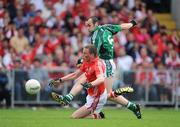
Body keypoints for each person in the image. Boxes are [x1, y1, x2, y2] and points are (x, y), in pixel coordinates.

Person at [50, 17, 141, 119]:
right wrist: (132, 24)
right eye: (86, 25)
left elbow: (93, 54)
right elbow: (122, 26)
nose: (87, 27)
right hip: (101, 62)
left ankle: (131, 106)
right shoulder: (107, 27)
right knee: (82, 77)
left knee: (108, 94)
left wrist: (82, 61)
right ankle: (68, 98)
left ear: (96, 24)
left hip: (105, 63)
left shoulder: (96, 37)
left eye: (89, 25)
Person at [51, 45, 107, 119]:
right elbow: (75, 74)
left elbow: (101, 79)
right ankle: (69, 97)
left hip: (98, 97)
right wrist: (60, 80)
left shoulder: (97, 64)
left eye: (85, 53)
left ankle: (98, 115)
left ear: (92, 54)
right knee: (81, 78)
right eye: (83, 53)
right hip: (91, 95)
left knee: (74, 117)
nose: (83, 55)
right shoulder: (87, 62)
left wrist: (90, 84)